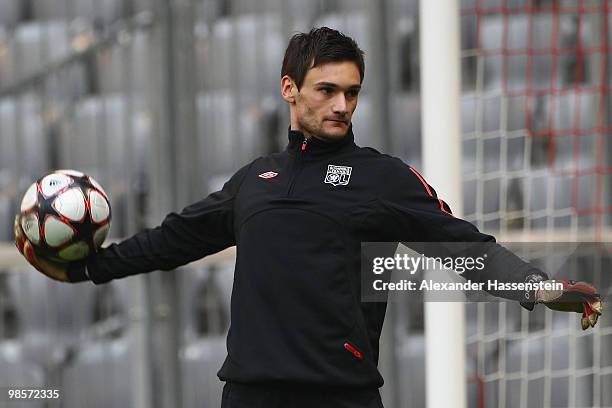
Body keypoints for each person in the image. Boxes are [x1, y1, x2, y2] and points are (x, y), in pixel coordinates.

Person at [14, 27, 603, 408]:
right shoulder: (255, 180)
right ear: (289, 89)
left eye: (352, 92)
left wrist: (539, 287)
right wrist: (88, 271)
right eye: (327, 90)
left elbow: (464, 247)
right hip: (247, 396)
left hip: (339, 396)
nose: (343, 104)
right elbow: (176, 238)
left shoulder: (382, 177)